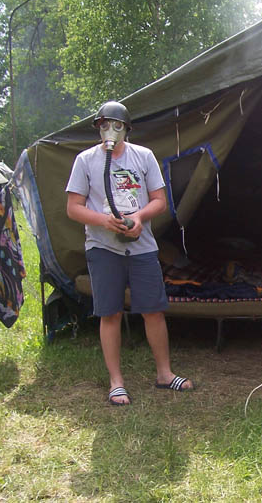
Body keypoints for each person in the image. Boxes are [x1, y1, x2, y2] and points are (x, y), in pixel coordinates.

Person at [66, 101, 192, 406]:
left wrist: (138, 218)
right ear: (97, 127)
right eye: (104, 124)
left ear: (127, 128)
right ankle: (116, 382)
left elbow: (159, 200)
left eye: (117, 125)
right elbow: (73, 208)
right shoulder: (85, 160)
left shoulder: (143, 156)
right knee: (109, 313)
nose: (110, 130)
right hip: (103, 247)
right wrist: (104, 221)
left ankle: (164, 374)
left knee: (153, 310)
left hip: (141, 246)